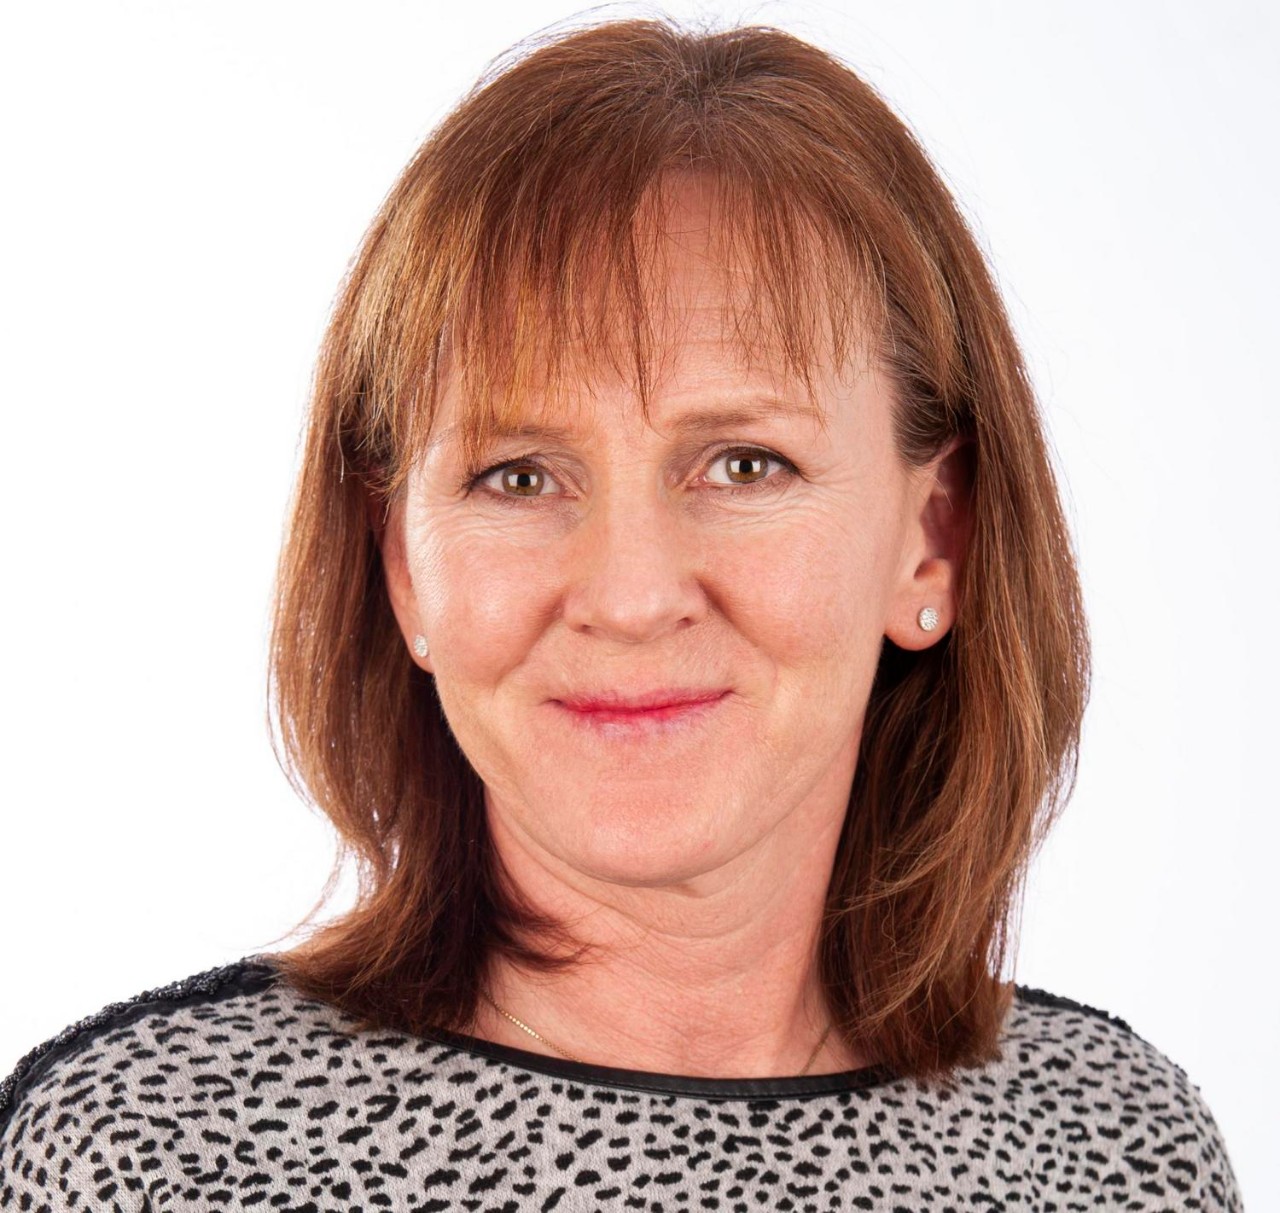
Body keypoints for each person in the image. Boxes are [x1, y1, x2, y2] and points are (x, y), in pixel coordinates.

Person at [0, 15, 1243, 1211]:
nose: (631, 595)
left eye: (743, 464)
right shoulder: (144, 1158)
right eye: (518, 476)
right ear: (401, 565)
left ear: (933, 541)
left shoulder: (1116, 1148)